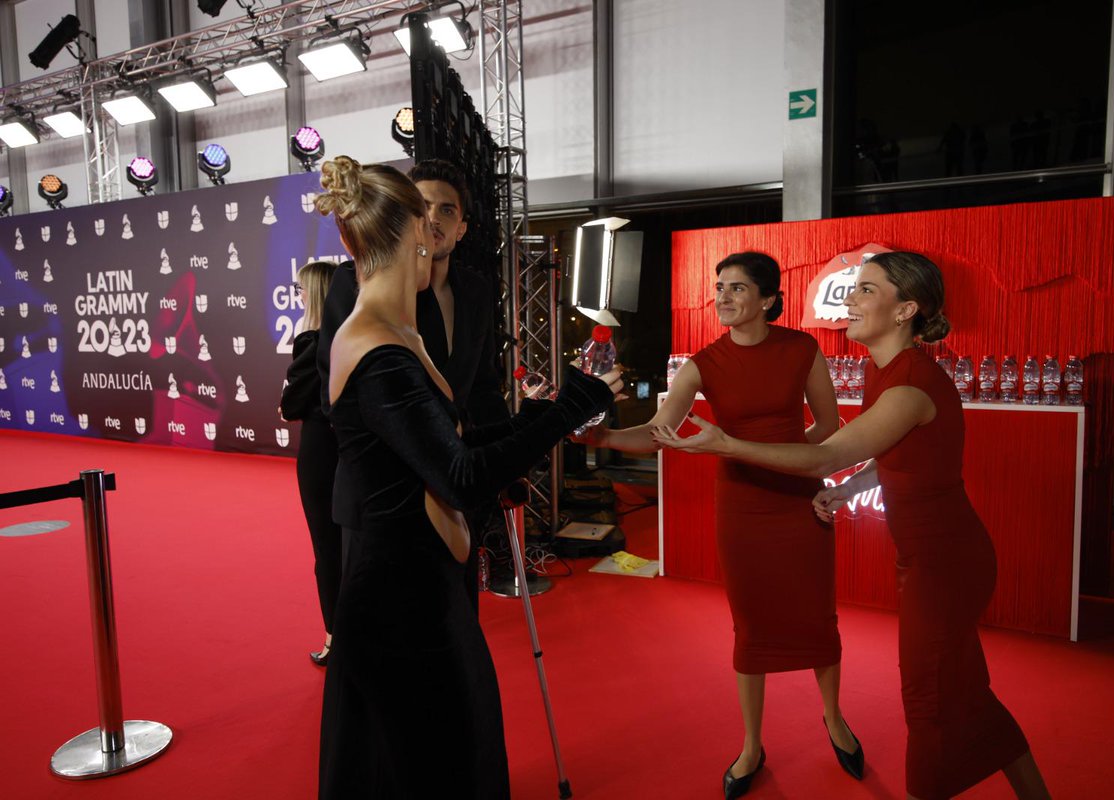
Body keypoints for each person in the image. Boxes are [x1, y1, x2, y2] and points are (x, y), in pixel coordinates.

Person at [653, 251, 1051, 800]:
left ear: (906, 309)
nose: (849, 300)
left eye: (866, 290)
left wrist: (726, 444)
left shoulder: (911, 383)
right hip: (928, 559)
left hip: (946, 564)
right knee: (966, 691)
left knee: (930, 703)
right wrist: (848, 489)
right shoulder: (879, 370)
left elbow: (824, 454)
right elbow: (893, 458)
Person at [314, 155, 620, 799]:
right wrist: (570, 409)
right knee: (433, 765)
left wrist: (543, 413)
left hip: (425, 589)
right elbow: (460, 475)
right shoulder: (378, 346)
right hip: (401, 604)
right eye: (428, 221)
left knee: (450, 753)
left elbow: (453, 440)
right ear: (417, 236)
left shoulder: (393, 332)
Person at [581, 251, 862, 799]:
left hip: (797, 500)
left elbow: (828, 427)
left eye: (737, 288)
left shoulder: (802, 348)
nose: (723, 298)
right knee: (750, 624)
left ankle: (834, 718)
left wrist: (773, 454)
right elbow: (658, 432)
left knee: (815, 614)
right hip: (742, 508)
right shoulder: (704, 363)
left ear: (768, 300)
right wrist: (606, 438)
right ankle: (752, 746)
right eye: (719, 287)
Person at [316, 158, 507, 614]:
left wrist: (502, 465)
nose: (433, 220)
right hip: (384, 504)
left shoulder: (477, 291)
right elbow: (338, 394)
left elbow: (481, 387)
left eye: (447, 210)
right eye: (423, 207)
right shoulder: (357, 284)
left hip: (457, 491)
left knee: (455, 623)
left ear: (462, 227)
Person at [280, 260, 341, 666]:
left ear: (314, 295)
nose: (297, 295)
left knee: (328, 547)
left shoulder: (312, 341)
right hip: (354, 449)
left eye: (301, 289)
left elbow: (290, 406)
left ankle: (336, 639)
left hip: (321, 453)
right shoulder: (354, 337)